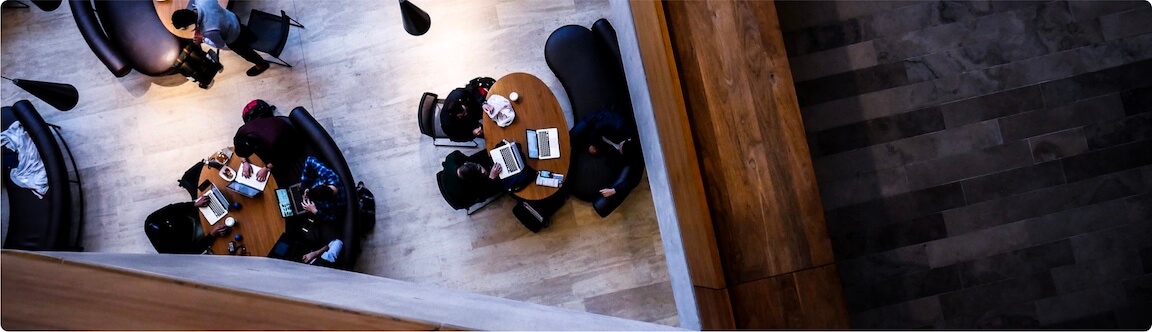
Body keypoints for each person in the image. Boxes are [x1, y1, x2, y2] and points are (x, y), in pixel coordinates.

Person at [171, 0, 270, 77]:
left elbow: (220, 45)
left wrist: (203, 39)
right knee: (243, 30)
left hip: (233, 36)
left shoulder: (208, 31)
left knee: (246, 52)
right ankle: (252, 37)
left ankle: (261, 64)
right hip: (232, 19)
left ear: (186, 26)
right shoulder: (202, 1)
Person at [570, 109, 642, 198]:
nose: (619, 148)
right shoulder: (618, 127)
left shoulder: (634, 156)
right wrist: (593, 144)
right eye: (621, 146)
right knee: (571, 137)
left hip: (604, 142)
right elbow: (598, 128)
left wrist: (614, 190)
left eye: (621, 151)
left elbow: (634, 180)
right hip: (595, 122)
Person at [232, 99, 299, 181]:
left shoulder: (273, 139)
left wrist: (266, 168)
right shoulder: (242, 131)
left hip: (288, 143)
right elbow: (238, 146)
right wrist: (245, 162)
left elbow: (282, 155)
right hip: (266, 134)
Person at [299, 156, 346, 223]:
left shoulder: (339, 203)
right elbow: (310, 160)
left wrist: (315, 211)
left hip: (314, 208)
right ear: (323, 184)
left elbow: (334, 218)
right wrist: (304, 185)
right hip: (308, 189)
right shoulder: (329, 175)